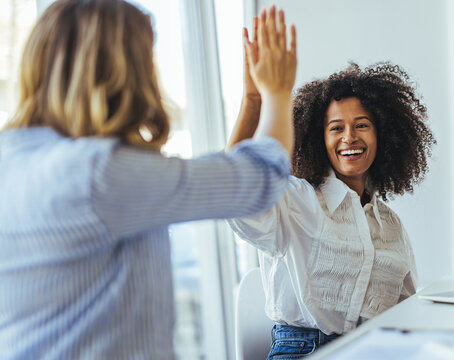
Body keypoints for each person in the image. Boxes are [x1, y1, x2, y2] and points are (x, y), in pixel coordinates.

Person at [0, 1, 296, 359]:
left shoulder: (10, 159)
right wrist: (276, 92)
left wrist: (252, 100)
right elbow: (263, 176)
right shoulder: (100, 173)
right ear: (123, 72)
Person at [227, 39, 436, 358]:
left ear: (383, 135)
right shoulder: (294, 200)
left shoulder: (392, 226)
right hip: (302, 350)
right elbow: (234, 191)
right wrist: (253, 101)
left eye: (362, 125)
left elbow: (408, 315)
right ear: (317, 138)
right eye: (336, 128)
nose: (349, 137)